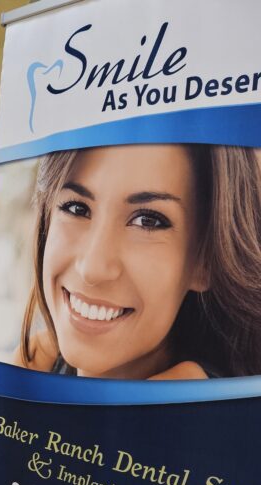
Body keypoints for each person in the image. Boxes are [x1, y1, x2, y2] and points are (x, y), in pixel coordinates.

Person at [15, 143, 261, 379]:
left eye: (148, 221)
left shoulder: (191, 407)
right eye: (77, 208)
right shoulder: (37, 359)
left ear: (205, 261)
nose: (92, 268)